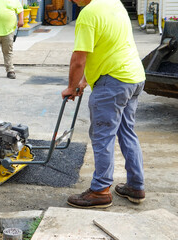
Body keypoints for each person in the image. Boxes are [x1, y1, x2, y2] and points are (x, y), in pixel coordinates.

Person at [62, 0, 146, 208]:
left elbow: (79, 59)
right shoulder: (113, 3)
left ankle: (100, 190)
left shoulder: (88, 14)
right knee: (127, 131)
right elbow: (107, 47)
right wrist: (84, 82)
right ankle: (136, 186)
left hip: (114, 81)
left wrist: (71, 87)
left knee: (102, 135)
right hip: (133, 77)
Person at [0, 0, 24, 79]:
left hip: (8, 31)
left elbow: (20, 10)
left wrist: (21, 20)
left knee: (8, 51)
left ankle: (10, 70)